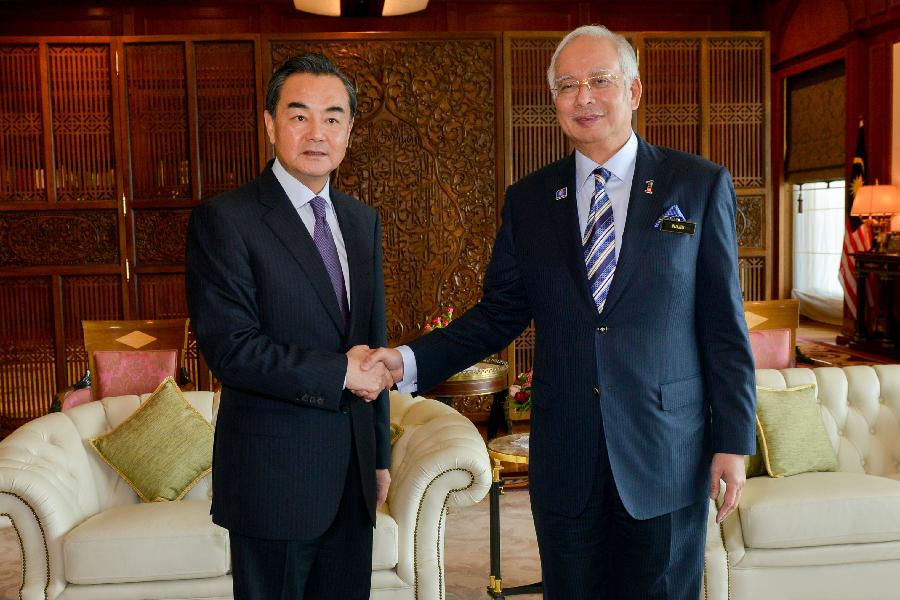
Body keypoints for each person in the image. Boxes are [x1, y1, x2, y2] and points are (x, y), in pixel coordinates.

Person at [366, 25, 756, 599]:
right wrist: (405, 361)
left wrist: (734, 440)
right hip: (566, 454)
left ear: (635, 91)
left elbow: (724, 327)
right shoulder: (528, 200)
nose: (584, 97)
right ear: (555, 103)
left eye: (600, 80)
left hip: (665, 451)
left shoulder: (696, 184)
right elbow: (499, 314)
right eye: (568, 86)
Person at [185, 53, 393, 600]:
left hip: (352, 475)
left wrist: (379, 457)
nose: (317, 132)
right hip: (273, 479)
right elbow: (231, 349)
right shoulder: (226, 220)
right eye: (299, 115)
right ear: (270, 123)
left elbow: (373, 341)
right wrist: (339, 374)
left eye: (332, 117)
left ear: (349, 130)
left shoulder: (359, 219)